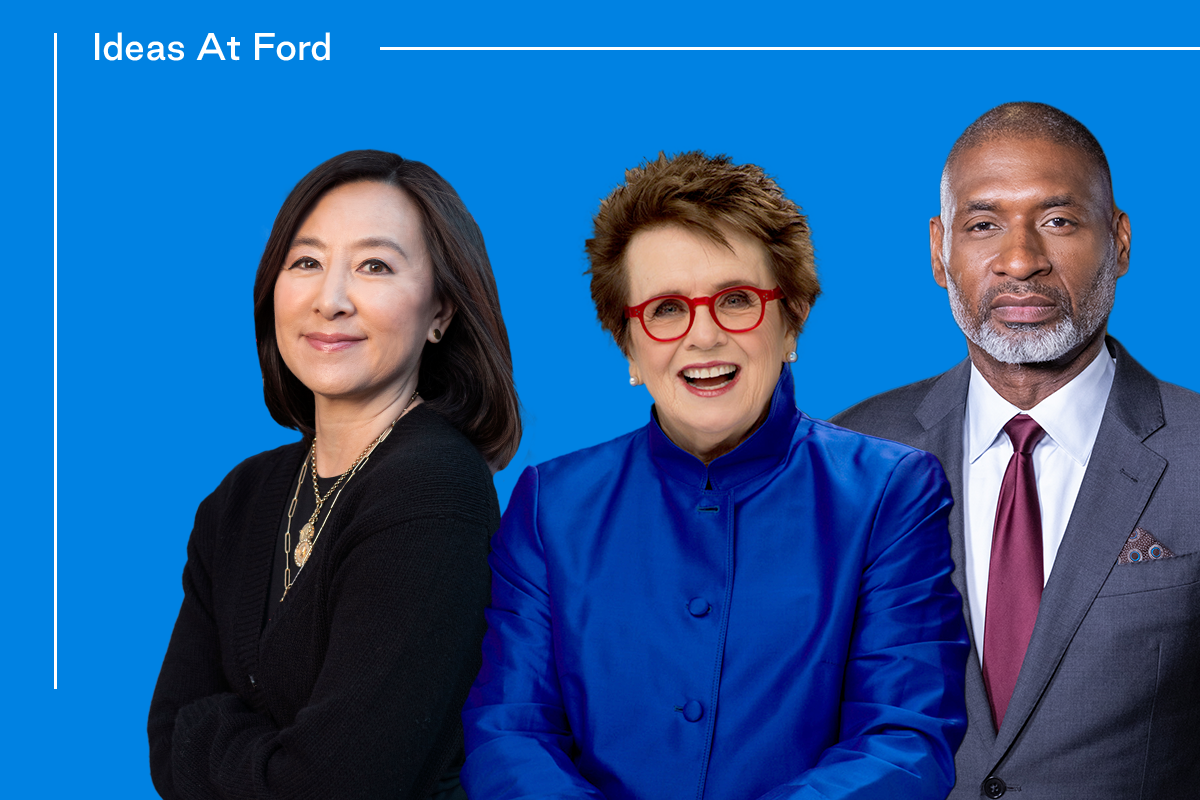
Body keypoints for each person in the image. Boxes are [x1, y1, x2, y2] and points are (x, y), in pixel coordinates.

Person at [461, 151, 969, 799]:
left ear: (791, 323)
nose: (702, 337)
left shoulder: (891, 493)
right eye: (666, 309)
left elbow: (905, 739)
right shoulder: (548, 506)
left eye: (735, 300)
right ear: (630, 347)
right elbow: (509, 732)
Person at [833, 103, 1200, 799]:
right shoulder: (850, 455)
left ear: (1119, 242)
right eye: (983, 225)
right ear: (940, 251)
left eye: (1058, 221)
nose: (1021, 261)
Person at [147, 150, 521, 800]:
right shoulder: (240, 500)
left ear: (441, 312)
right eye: (307, 262)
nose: (331, 300)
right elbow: (163, 741)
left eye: (375, 265)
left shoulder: (434, 493)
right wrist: (257, 754)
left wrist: (208, 736)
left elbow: (332, 787)